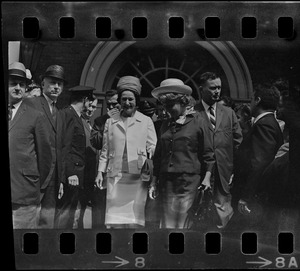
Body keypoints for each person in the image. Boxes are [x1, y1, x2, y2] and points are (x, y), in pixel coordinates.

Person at [149, 78, 215, 229]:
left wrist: (207, 179)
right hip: (166, 181)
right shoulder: (165, 124)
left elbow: (209, 155)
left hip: (188, 181)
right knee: (167, 223)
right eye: (164, 105)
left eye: (170, 105)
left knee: (182, 223)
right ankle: (167, 252)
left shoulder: (199, 121)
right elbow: (158, 156)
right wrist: (153, 182)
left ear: (183, 101)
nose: (166, 109)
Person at [95, 76, 157, 229]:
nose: (127, 103)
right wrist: (99, 172)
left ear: (136, 101)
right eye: (124, 99)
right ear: (120, 101)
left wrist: (147, 155)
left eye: (131, 99)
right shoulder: (111, 121)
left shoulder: (146, 121)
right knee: (115, 222)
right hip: (115, 177)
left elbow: (154, 147)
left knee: (134, 222)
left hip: (137, 177)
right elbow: (105, 150)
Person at [194, 72, 243, 229]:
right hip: (199, 172)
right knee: (195, 213)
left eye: (219, 88)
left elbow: (238, 143)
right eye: (213, 88)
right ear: (201, 89)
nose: (217, 91)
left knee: (223, 213)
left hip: (224, 172)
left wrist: (235, 169)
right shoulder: (192, 112)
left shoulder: (229, 113)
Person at [8, 62, 52, 229]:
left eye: (22, 84)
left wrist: (37, 188)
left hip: (25, 194)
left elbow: (45, 157)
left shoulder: (36, 116)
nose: (18, 88)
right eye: (13, 83)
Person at [236, 83, 284, 230]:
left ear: (257, 100)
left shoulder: (264, 125)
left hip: (256, 195)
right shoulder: (269, 123)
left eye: (251, 99)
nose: (250, 103)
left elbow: (259, 163)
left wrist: (246, 197)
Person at [54, 86, 95, 229]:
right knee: (65, 213)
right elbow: (65, 145)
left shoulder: (74, 116)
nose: (90, 105)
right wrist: (71, 171)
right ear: (84, 100)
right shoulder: (69, 115)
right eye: (89, 101)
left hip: (76, 173)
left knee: (69, 214)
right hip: (72, 174)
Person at [31, 65, 66, 229]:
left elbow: (59, 148)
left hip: (52, 179)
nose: (56, 87)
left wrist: (60, 179)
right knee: (28, 221)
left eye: (59, 84)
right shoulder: (32, 104)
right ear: (42, 83)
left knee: (47, 223)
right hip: (33, 175)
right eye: (52, 82)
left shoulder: (59, 113)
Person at [90, 88, 120, 228]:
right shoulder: (100, 121)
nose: (112, 108)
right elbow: (96, 142)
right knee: (100, 213)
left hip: (121, 173)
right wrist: (106, 121)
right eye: (109, 105)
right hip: (103, 172)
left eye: (115, 104)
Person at [74, 94, 98, 228]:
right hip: (79, 176)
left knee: (82, 213)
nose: (91, 110)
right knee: (75, 215)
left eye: (94, 107)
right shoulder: (77, 122)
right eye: (89, 106)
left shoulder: (92, 125)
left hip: (89, 177)